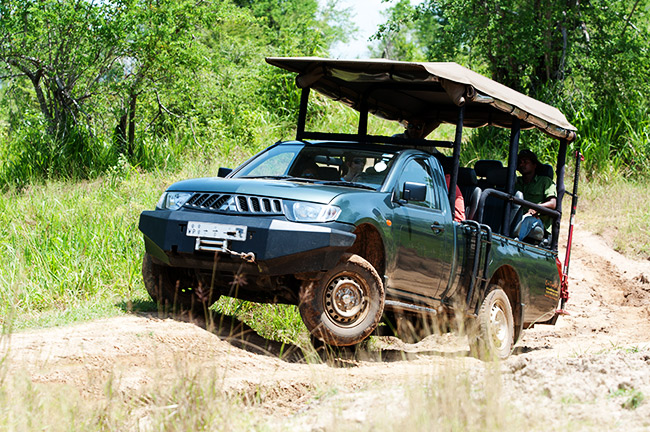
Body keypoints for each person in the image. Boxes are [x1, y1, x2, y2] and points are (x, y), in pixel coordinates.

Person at [514, 149, 557, 241]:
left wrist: (536, 208)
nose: (522, 165)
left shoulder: (545, 181)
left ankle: (512, 243)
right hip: (517, 218)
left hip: (537, 221)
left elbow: (553, 203)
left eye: (525, 162)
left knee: (527, 220)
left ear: (534, 165)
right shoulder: (516, 182)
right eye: (520, 162)